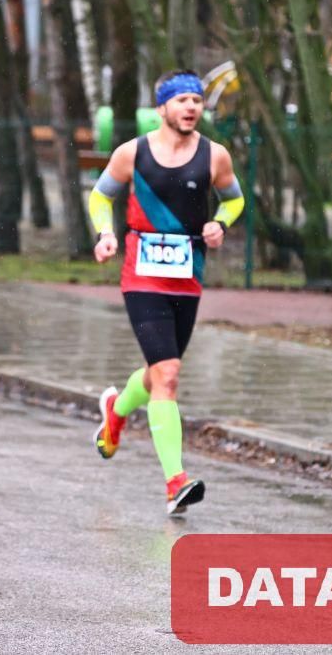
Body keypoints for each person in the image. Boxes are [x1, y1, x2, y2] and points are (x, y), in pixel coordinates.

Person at [87, 69, 245, 514]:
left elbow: (234, 199)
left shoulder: (215, 156)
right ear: (162, 108)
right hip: (142, 277)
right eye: (182, 100)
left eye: (197, 100)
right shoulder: (132, 153)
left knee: (159, 373)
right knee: (169, 374)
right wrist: (105, 233)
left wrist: (220, 223)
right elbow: (100, 197)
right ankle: (176, 481)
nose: (191, 107)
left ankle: (116, 411)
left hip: (188, 276)